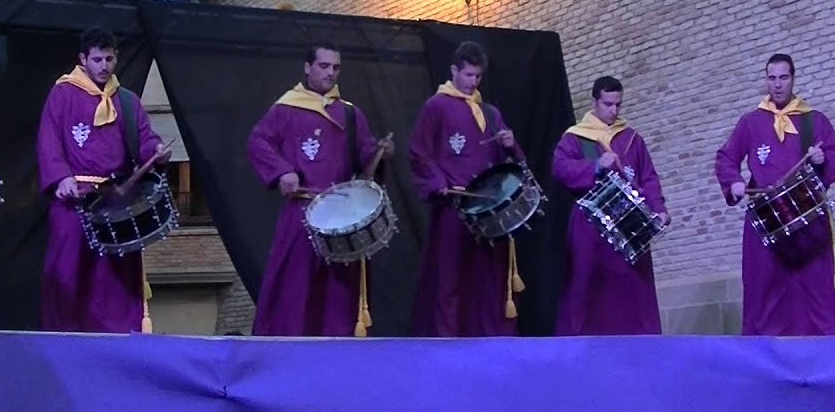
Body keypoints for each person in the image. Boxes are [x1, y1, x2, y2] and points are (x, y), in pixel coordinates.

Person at [247, 41, 394, 336]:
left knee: (339, 292)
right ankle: (289, 349)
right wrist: (282, 171)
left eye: (336, 67)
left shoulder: (351, 113)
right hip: (301, 211)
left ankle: (337, 348)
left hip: (342, 214)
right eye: (323, 66)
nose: (330, 73)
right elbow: (257, 142)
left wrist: (380, 153)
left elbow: (365, 156)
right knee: (295, 287)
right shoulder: (286, 108)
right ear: (308, 67)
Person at [37, 28, 171, 332]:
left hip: (116, 199)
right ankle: (64, 339)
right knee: (67, 272)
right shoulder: (62, 94)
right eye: (97, 59)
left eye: (109, 59)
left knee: (114, 278)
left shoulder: (127, 101)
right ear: (83, 59)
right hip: (75, 199)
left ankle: (117, 339)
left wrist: (157, 151)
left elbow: (145, 139)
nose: (104, 66)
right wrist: (61, 177)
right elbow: (48, 141)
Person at [715, 53, 835, 335]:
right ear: (766, 80)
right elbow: (726, 158)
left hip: (807, 220)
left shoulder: (813, 120)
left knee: (816, 289)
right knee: (764, 290)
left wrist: (824, 159)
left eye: (783, 78)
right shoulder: (751, 122)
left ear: (793, 79)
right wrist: (734, 182)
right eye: (772, 78)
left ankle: (825, 350)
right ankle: (765, 353)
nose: (777, 84)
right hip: (765, 220)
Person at [408, 41, 524, 336]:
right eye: (468, 75)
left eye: (478, 76)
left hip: (487, 208)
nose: (473, 82)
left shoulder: (490, 112)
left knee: (488, 276)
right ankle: (449, 340)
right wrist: (438, 183)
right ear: (454, 71)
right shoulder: (436, 106)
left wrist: (511, 146)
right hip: (454, 207)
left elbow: (509, 163)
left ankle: (491, 339)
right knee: (450, 278)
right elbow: (419, 152)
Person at [551, 76, 670, 335]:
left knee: (632, 286)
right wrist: (595, 165)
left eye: (618, 104)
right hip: (590, 224)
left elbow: (648, 177)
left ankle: (638, 344)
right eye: (608, 104)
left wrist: (659, 208)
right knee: (587, 283)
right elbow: (559, 169)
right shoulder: (576, 137)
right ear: (595, 102)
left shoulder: (631, 138)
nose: (614, 111)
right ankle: (585, 345)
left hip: (629, 222)